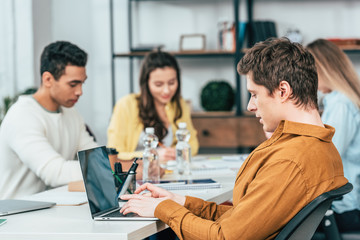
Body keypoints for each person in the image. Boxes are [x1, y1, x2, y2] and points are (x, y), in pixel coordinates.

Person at [119, 38, 348, 240]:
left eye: (254, 94)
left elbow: (225, 237)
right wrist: (181, 203)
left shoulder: (290, 160)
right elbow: (244, 221)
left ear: (282, 91)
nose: (250, 105)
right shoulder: (316, 147)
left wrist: (164, 209)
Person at [0, 41, 97, 199]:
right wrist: (108, 167)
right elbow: (55, 172)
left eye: (82, 83)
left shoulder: (71, 113)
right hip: (16, 216)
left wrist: (112, 164)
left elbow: (93, 156)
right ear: (47, 79)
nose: (80, 92)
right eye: (73, 84)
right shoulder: (22, 116)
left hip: (53, 207)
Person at [107, 51, 199, 164]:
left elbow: (193, 144)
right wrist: (152, 155)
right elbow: (114, 153)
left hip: (167, 172)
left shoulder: (179, 104)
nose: (166, 91)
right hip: (138, 174)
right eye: (158, 85)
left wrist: (178, 151)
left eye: (171, 83)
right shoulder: (126, 105)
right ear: (146, 83)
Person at [307, 39, 360, 232]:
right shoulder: (338, 100)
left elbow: (328, 156)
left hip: (346, 209)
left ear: (323, 69)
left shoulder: (341, 104)